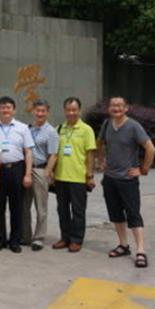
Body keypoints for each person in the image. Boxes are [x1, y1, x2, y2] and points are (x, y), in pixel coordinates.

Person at [97, 96, 155, 268]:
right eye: (113, 105)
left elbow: (151, 149)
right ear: (109, 108)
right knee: (116, 214)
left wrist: (143, 170)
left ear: (126, 108)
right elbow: (99, 143)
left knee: (133, 214)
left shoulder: (133, 126)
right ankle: (123, 245)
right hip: (110, 179)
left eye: (119, 105)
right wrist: (101, 161)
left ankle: (141, 251)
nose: (116, 108)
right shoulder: (107, 124)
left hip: (128, 180)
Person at [52, 97, 96, 253]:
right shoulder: (59, 129)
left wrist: (90, 175)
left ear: (79, 110)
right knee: (62, 210)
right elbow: (54, 154)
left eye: (74, 110)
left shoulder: (86, 130)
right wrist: (51, 172)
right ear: (64, 111)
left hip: (79, 178)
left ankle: (76, 240)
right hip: (60, 177)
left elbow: (90, 154)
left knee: (78, 211)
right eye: (68, 110)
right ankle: (65, 238)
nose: (71, 113)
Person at [0, 96, 34, 253]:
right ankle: (0, 239)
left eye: (8, 107)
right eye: (2, 107)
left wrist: (27, 174)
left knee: (17, 207)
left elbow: (28, 152)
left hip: (17, 169)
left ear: (14, 110)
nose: (5, 110)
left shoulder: (23, 128)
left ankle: (15, 240)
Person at [22, 100, 59, 252]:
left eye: (43, 111)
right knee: (24, 206)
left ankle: (39, 238)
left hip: (40, 170)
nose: (40, 113)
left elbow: (54, 155)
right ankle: (25, 235)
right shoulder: (27, 129)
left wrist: (47, 173)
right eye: (37, 110)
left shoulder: (51, 132)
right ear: (33, 111)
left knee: (41, 207)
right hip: (25, 170)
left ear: (47, 112)